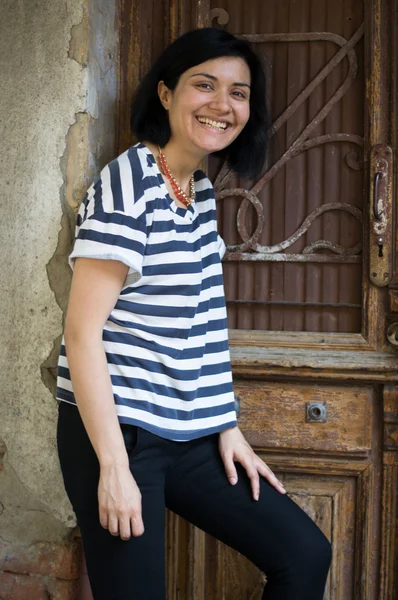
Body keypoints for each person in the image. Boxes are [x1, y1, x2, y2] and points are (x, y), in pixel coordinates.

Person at [56, 27, 331, 600]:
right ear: (165, 94)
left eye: (238, 92)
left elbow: (202, 324)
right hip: (118, 432)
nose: (222, 105)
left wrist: (226, 427)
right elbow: (82, 335)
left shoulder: (196, 189)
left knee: (304, 553)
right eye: (204, 85)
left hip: (188, 432)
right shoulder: (128, 185)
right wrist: (112, 467)